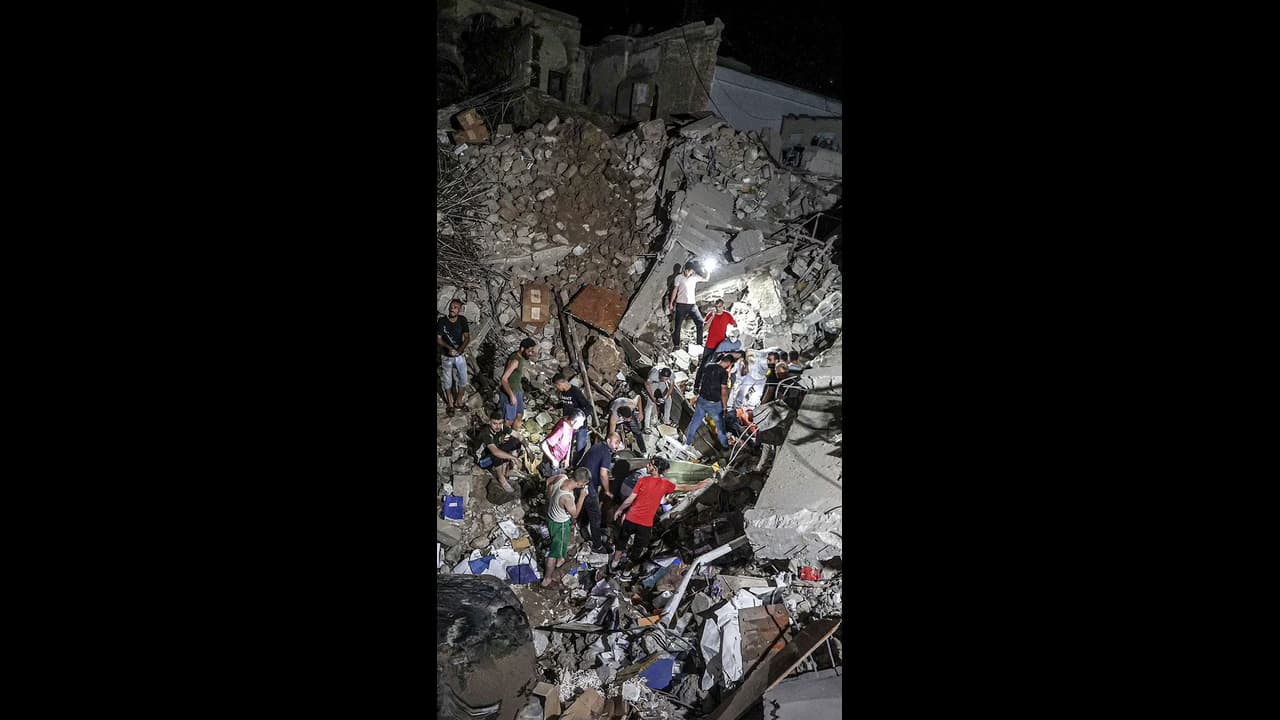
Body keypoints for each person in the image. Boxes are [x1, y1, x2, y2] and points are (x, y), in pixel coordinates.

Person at [610, 456, 709, 572]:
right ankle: (626, 571)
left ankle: (614, 563)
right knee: (638, 548)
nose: (647, 465)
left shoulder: (643, 480)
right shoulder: (665, 484)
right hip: (645, 524)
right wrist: (698, 486)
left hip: (631, 518)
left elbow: (630, 499)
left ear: (655, 468)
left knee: (622, 541)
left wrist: (620, 510)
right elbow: (682, 487)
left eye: (650, 464)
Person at [542, 468, 589, 588]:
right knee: (554, 551)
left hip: (551, 517)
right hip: (560, 524)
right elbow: (575, 514)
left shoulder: (562, 477)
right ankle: (547, 579)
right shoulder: (567, 497)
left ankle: (560, 559)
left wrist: (549, 496)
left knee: (561, 543)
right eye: (584, 484)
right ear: (580, 484)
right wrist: (582, 497)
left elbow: (548, 481)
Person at [578, 432, 623, 553]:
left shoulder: (597, 446)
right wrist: (607, 491)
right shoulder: (606, 453)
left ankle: (583, 527)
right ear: (608, 441)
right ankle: (597, 546)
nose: (617, 446)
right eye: (616, 443)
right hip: (588, 485)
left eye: (618, 444)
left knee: (588, 507)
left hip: (581, 479)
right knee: (596, 515)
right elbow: (603, 474)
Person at [684, 353, 732, 452]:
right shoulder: (723, 373)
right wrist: (724, 407)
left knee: (695, 422)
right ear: (728, 363)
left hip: (702, 400)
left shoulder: (708, 366)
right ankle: (725, 447)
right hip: (714, 403)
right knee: (720, 426)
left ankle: (687, 443)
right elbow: (723, 391)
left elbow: (702, 380)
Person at [437, 299, 471, 416]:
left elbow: (467, 337)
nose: (452, 309)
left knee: (463, 379)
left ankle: (459, 401)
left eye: (455, 307)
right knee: (447, 380)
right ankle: (450, 404)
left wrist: (459, 350)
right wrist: (449, 348)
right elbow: (438, 338)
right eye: (451, 306)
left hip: (459, 355)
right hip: (446, 356)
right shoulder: (442, 321)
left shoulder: (462, 320)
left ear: (459, 310)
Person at [477, 409, 524, 493]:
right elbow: (495, 451)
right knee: (496, 454)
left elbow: (517, 435)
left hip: (493, 452)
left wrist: (528, 449)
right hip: (482, 460)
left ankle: (512, 468)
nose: (497, 426)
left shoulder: (501, 427)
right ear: (489, 422)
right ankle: (502, 479)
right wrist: (514, 458)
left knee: (515, 442)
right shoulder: (486, 433)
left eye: (500, 423)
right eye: (494, 423)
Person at [694, 299, 736, 392]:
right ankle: (696, 386)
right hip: (710, 344)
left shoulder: (727, 315)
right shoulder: (711, 315)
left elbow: (734, 324)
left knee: (716, 366)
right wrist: (712, 318)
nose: (718, 309)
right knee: (703, 365)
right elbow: (704, 329)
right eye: (716, 307)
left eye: (720, 307)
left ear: (723, 306)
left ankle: (709, 386)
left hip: (720, 346)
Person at [553, 373, 593, 465]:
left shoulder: (575, 392)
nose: (557, 389)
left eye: (557, 386)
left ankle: (575, 465)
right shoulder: (563, 392)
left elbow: (589, 407)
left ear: (560, 384)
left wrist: (580, 418)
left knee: (580, 446)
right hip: (567, 424)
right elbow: (566, 403)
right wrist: (556, 406)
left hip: (579, 425)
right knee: (567, 444)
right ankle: (566, 463)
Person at [500, 338, 539, 431]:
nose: (531, 354)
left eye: (532, 351)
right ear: (522, 349)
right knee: (509, 420)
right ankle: (503, 439)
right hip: (509, 392)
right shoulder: (515, 361)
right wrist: (511, 396)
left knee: (519, 415)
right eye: (529, 351)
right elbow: (504, 379)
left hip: (517, 391)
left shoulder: (520, 358)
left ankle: (514, 438)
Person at [669, 262, 710, 348]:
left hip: (692, 305)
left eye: (691, 271)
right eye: (688, 270)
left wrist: (707, 269)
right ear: (684, 269)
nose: (689, 273)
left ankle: (699, 343)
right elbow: (675, 290)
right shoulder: (679, 277)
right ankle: (676, 344)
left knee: (700, 322)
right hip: (681, 305)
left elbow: (706, 279)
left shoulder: (694, 278)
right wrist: (671, 303)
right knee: (678, 326)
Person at [540, 409, 585, 478]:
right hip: (551, 463)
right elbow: (543, 445)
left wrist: (567, 458)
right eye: (581, 422)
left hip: (560, 461)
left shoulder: (570, 425)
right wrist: (553, 460)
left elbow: (569, 442)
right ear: (574, 421)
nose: (582, 424)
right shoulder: (562, 428)